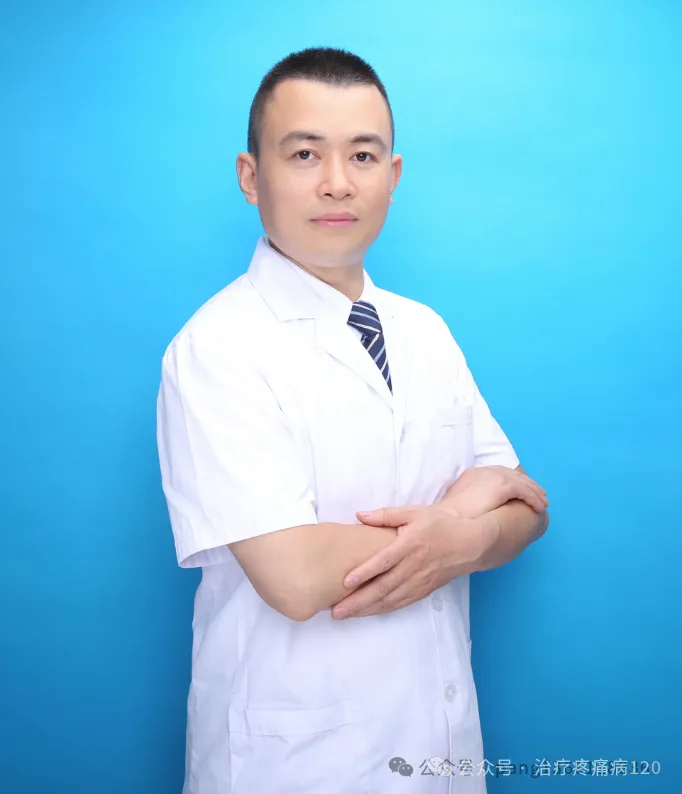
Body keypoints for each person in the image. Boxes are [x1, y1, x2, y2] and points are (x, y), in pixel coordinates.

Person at [156, 46, 549, 794]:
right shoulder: (216, 348)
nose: (337, 181)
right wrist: (455, 528)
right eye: (304, 153)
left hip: (441, 749)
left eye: (362, 155)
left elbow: (525, 505)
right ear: (251, 176)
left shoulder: (425, 331)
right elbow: (295, 575)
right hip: (297, 763)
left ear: (392, 176)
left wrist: (469, 536)